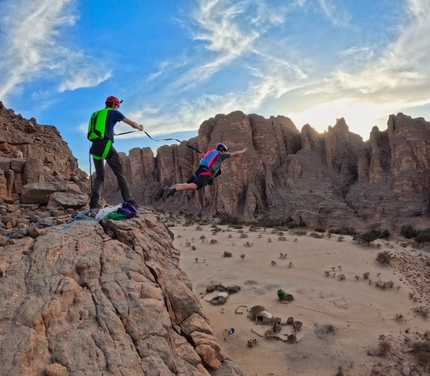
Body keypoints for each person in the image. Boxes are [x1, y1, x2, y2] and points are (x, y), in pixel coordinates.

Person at [87, 96, 143, 209]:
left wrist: (112, 132)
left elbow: (103, 128)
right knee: (120, 173)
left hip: (95, 147)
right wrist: (139, 127)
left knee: (99, 176)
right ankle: (129, 200)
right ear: (113, 105)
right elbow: (131, 123)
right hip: (106, 147)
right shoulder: (113, 113)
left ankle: (92, 204)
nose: (118, 108)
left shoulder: (98, 113)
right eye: (117, 106)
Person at [156, 143, 248, 200]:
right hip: (206, 173)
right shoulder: (221, 154)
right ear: (222, 150)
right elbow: (235, 154)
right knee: (193, 186)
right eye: (225, 150)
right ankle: (172, 190)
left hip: (199, 171)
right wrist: (243, 151)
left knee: (185, 184)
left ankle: (167, 189)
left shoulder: (210, 154)